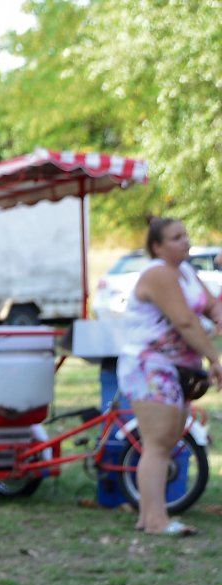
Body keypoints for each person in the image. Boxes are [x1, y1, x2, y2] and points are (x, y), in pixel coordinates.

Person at [116, 216, 222, 536]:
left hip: (177, 369)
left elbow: (211, 306)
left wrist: (217, 316)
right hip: (149, 367)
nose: (185, 241)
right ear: (157, 247)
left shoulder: (186, 273)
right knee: (158, 443)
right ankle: (156, 521)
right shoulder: (158, 274)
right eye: (176, 237)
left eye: (185, 235)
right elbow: (185, 322)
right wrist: (215, 358)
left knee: (168, 440)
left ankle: (150, 518)